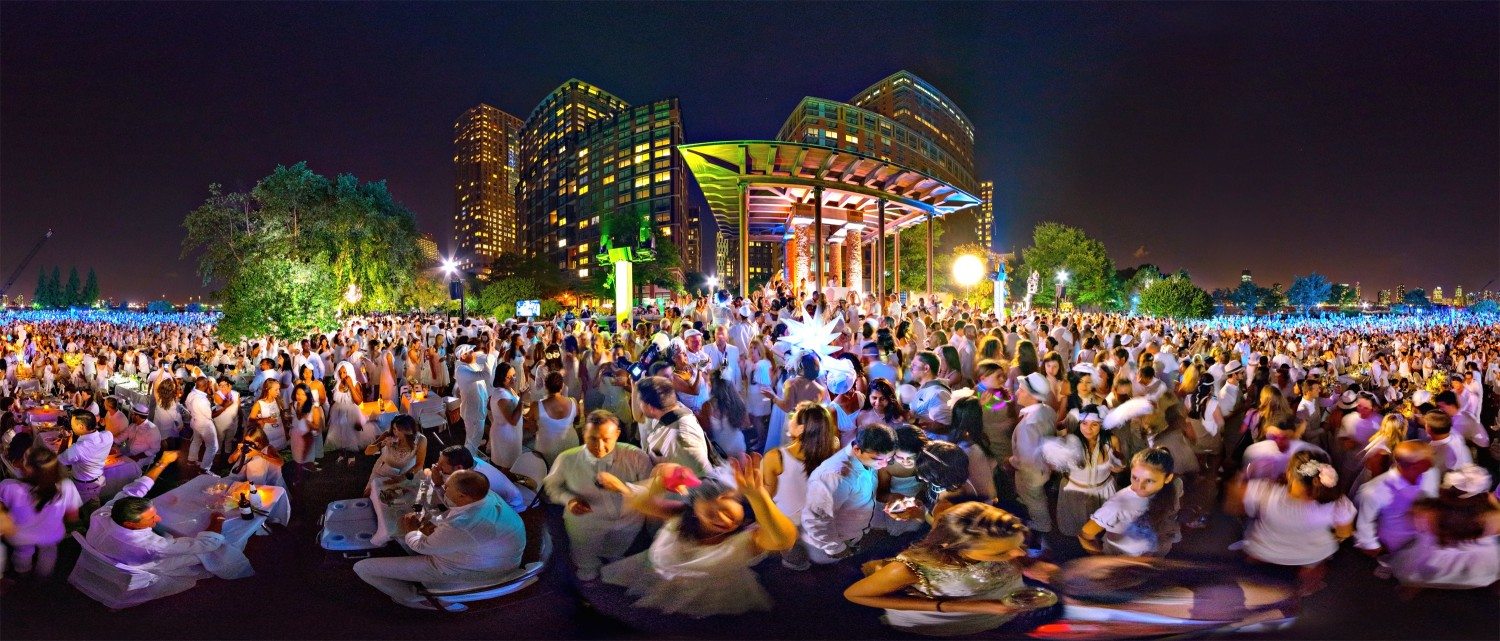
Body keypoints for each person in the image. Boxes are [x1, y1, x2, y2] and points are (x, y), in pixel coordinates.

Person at [598, 455, 798, 617]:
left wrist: (759, 497)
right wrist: (661, 482)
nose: (722, 520)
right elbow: (640, 503)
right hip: (671, 585)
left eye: (729, 513)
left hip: (719, 595)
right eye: (710, 514)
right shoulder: (682, 515)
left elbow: (785, 539)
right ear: (694, 509)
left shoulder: (749, 537)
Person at [846, 502, 1053, 636]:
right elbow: (855, 595)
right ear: (955, 547)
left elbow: (940, 511)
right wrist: (974, 607)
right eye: (1000, 554)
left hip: (1003, 610)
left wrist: (1030, 565)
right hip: (955, 622)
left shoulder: (973, 526)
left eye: (1019, 544)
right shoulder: (909, 568)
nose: (1019, 554)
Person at [353, 469, 526, 611]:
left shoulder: (464, 525)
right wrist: (435, 525)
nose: (444, 488)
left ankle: (415, 599)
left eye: (448, 487)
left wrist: (412, 530)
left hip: (473, 570)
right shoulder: (486, 496)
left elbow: (421, 546)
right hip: (494, 557)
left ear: (463, 496)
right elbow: (454, 518)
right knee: (409, 536)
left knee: (362, 568)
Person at [86, 450, 248, 580]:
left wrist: (162, 463)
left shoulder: (101, 514)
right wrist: (218, 517)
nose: (158, 519)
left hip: (105, 549)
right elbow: (208, 544)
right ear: (130, 524)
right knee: (207, 551)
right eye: (151, 518)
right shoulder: (152, 545)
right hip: (137, 564)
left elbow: (134, 489)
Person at [542, 411, 653, 581]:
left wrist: (622, 488)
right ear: (583, 433)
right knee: (585, 563)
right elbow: (551, 487)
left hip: (628, 523)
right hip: (585, 524)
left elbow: (651, 490)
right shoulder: (566, 459)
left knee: (618, 556)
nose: (599, 447)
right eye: (593, 439)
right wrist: (568, 500)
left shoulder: (636, 456)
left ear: (617, 434)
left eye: (606, 439)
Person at [1226, 449, 1355, 595]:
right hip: (1311, 552)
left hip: (1266, 549)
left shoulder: (1265, 491)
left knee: (1253, 562)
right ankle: (1306, 589)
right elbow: (1344, 532)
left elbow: (1233, 506)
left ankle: (1254, 585)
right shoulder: (1339, 503)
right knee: (1316, 566)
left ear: (1289, 475)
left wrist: (1241, 479)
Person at [790, 423, 898, 570]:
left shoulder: (866, 459)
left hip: (852, 535)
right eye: (878, 459)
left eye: (889, 459)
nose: (884, 465)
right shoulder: (836, 476)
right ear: (857, 449)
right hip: (832, 545)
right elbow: (816, 518)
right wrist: (836, 548)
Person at [1390, 464, 1500, 590]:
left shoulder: (1426, 512)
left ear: (1447, 490)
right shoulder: (1493, 518)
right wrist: (1492, 503)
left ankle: (1414, 588)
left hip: (1434, 560)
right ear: (1483, 496)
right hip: (1476, 561)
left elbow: (1411, 522)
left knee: (1417, 575)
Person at [1354, 440, 1436, 579]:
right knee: (1393, 559)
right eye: (1427, 460)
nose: (1432, 463)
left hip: (1423, 532)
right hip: (1394, 537)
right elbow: (1365, 522)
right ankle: (1388, 567)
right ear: (1414, 465)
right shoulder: (1374, 490)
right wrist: (1370, 543)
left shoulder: (1431, 473)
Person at [1079, 447, 1181, 557]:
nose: (1139, 486)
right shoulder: (1117, 505)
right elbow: (1085, 535)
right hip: (1124, 564)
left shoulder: (1175, 487)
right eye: (1135, 478)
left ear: (1168, 478)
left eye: (1149, 480)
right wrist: (1104, 560)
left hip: (1155, 558)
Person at [0, 447, 82, 578]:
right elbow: (73, 516)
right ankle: (44, 576)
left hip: (20, 535)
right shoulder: (67, 486)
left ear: (28, 469)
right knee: (49, 551)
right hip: (51, 533)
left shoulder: (9, 486)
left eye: (23, 460)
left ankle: (23, 573)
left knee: (23, 552)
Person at [1050, 405, 1122, 537]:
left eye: (1094, 424)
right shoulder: (1069, 441)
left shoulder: (1112, 441)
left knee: (1100, 528)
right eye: (1084, 423)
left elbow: (1119, 464)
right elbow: (1057, 466)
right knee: (1077, 526)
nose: (1088, 429)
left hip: (1103, 492)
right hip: (1075, 493)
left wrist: (1118, 467)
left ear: (1102, 425)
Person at [634, 375, 716, 478]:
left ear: (650, 407)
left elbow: (704, 477)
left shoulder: (681, 437)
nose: (639, 406)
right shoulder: (672, 412)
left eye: (640, 402)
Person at [1012, 372, 1058, 542]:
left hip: (1031, 474)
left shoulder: (1028, 425)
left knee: (1036, 507)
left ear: (1032, 396)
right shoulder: (1048, 411)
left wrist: (1010, 461)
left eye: (1021, 390)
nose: (1017, 392)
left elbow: (1027, 459)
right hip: (1043, 470)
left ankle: (1039, 541)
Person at [433, 445, 525, 513]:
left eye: (442, 465)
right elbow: (441, 483)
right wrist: (436, 475)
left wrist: (439, 483)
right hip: (498, 500)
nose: (438, 466)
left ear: (458, 467)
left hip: (511, 507)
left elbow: (460, 506)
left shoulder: (475, 481)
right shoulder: (468, 461)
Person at [55, 410, 112, 506]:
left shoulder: (78, 449)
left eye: (72, 423)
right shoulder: (108, 436)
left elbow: (59, 460)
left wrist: (65, 438)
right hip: (98, 480)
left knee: (81, 507)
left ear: (81, 427)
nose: (71, 426)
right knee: (93, 502)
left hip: (83, 485)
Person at [364, 414, 427, 493]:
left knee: (402, 498)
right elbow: (367, 452)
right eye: (394, 429)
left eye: (398, 430)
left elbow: (420, 464)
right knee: (370, 493)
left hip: (407, 471)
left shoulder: (420, 440)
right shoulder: (388, 435)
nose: (395, 432)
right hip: (384, 469)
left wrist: (403, 477)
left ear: (407, 430)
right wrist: (381, 444)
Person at [535, 372, 582, 466]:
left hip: (548, 446)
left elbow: (532, 427)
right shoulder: (573, 402)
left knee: (549, 469)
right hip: (570, 443)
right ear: (562, 386)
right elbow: (577, 421)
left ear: (546, 386)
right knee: (568, 467)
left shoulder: (537, 405)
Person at [452, 344, 491, 455]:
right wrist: (488, 359)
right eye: (470, 352)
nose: (474, 353)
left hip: (477, 410)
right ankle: (469, 464)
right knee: (473, 441)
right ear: (463, 356)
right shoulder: (462, 370)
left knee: (471, 438)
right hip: (473, 412)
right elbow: (486, 374)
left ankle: (469, 455)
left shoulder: (471, 366)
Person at [488, 362, 525, 469]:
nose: (513, 379)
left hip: (511, 433)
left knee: (512, 465)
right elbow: (513, 421)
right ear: (501, 378)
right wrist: (522, 399)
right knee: (507, 466)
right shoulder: (502, 395)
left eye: (514, 375)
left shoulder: (507, 389)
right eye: (508, 377)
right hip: (506, 436)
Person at [184, 377, 218, 471]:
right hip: (204, 424)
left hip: (194, 421)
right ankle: (204, 469)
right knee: (212, 446)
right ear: (206, 385)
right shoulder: (203, 400)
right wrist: (224, 409)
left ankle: (191, 460)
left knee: (196, 441)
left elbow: (187, 404)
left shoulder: (192, 393)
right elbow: (209, 415)